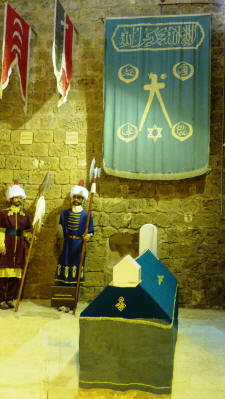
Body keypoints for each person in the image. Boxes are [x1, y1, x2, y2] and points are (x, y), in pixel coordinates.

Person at [54, 180, 94, 290]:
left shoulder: (87, 215)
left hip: (79, 245)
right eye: (75, 197)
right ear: (72, 198)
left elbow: (91, 231)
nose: (76, 200)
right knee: (64, 267)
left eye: (79, 198)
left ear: (82, 200)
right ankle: (63, 297)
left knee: (76, 268)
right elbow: (60, 229)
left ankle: (72, 300)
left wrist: (88, 236)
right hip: (66, 245)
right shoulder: (64, 213)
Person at [0, 180, 31, 310]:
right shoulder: (3, 213)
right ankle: (1, 300)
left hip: (19, 246)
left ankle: (10, 298)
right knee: (3, 274)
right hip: (7, 243)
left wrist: (29, 237)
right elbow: (0, 230)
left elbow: (25, 232)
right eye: (15, 197)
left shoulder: (25, 216)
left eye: (19, 197)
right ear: (11, 198)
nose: (17, 199)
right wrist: (1, 243)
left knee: (15, 274)